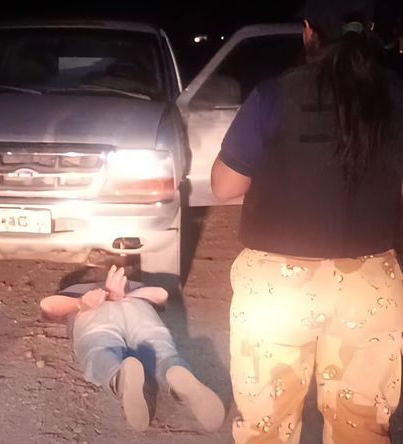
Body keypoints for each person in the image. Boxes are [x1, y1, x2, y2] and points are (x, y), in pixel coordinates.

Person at [211, 0, 403, 442]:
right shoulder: (395, 97)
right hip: (370, 288)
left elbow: (224, 186)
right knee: (360, 428)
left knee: (267, 428)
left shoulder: (274, 95)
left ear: (308, 32)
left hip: (278, 288)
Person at [39, 266, 225, 433]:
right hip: (136, 306)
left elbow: (47, 306)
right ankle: (174, 370)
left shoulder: (75, 291)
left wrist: (81, 303)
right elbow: (161, 294)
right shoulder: (133, 286)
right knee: (159, 346)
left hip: (93, 314)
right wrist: (125, 295)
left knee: (100, 348)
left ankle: (119, 376)